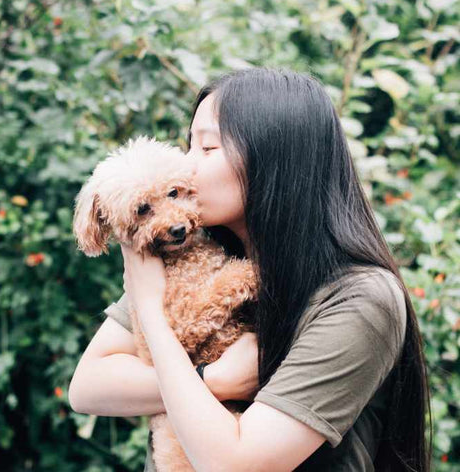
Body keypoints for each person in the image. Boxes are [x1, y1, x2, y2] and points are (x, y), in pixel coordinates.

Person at [68, 67, 432, 471]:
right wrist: (215, 379)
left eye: (206, 149)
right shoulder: (188, 253)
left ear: (276, 159)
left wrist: (150, 311)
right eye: (189, 146)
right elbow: (88, 388)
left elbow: (235, 463)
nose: (187, 167)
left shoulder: (360, 299)